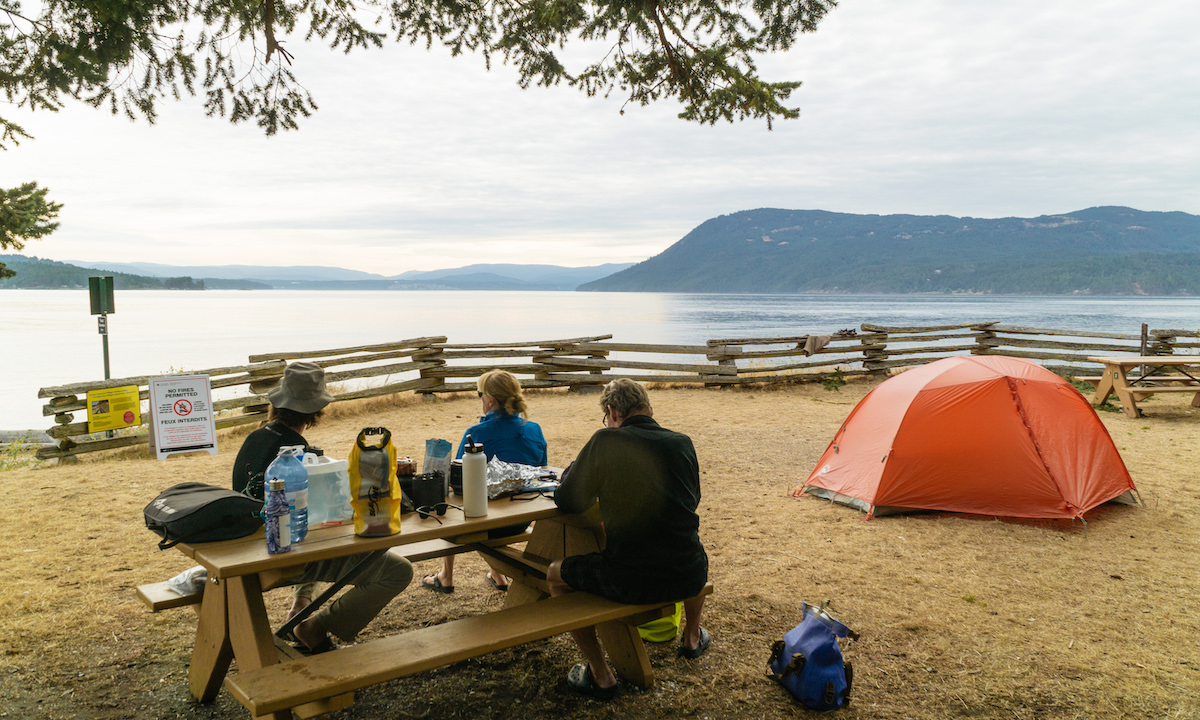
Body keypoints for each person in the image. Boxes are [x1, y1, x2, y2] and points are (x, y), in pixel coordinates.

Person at [231, 361, 414, 654]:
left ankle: (300, 608)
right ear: (315, 411)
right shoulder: (300, 454)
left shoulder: (256, 438)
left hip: (249, 548)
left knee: (313, 535)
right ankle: (315, 626)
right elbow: (329, 515)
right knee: (397, 570)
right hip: (280, 558)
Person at [547, 379, 710, 700]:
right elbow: (692, 500)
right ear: (647, 408)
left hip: (631, 581)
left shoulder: (606, 440)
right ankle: (691, 639)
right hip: (689, 573)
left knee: (554, 574)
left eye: (606, 418)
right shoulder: (682, 442)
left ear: (612, 411)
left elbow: (568, 501)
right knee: (689, 550)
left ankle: (600, 674)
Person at [422, 369, 548, 593]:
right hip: (525, 517)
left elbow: (457, 481)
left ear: (489, 400)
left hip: (488, 520)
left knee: (451, 508)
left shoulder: (477, 433)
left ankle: (446, 576)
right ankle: (497, 573)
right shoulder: (534, 429)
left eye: (480, 394)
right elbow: (541, 469)